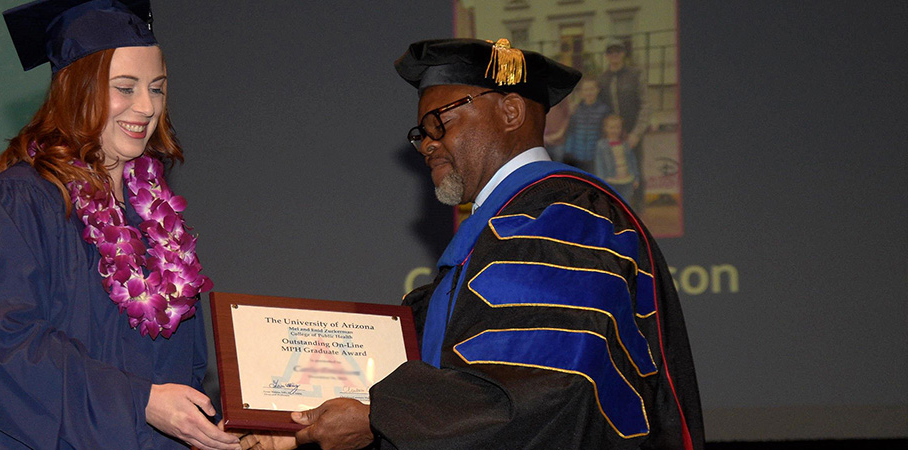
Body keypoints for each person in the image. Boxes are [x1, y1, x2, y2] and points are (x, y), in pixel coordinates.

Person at [244, 38, 703, 450]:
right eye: (420, 133)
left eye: (438, 122)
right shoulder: (503, 227)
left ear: (510, 112)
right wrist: (303, 420)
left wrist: (380, 417)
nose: (426, 145)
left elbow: (548, 386)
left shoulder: (565, 216)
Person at [0, 1, 239, 449]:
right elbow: (6, 347)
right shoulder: (21, 202)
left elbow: (182, 371)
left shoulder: (160, 224)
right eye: (125, 87)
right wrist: (140, 403)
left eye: (157, 88)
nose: (146, 106)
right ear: (76, 89)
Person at [598, 39, 653, 208]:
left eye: (618, 51)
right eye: (611, 52)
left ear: (623, 54)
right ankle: (618, 206)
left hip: (631, 131)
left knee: (635, 166)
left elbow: (646, 104)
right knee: (612, 168)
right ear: (607, 56)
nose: (614, 55)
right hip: (611, 133)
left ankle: (639, 207)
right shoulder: (603, 78)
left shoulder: (636, 74)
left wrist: (637, 132)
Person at [557, 78, 612, 171]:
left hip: (595, 156)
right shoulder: (576, 109)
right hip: (577, 154)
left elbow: (605, 133)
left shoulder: (604, 110)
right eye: (586, 89)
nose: (589, 92)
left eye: (592, 89)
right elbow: (571, 131)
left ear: (597, 90)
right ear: (581, 92)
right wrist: (568, 153)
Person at [596, 114, 642, 205]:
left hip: (627, 180)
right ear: (605, 128)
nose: (614, 130)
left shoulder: (625, 144)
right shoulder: (601, 145)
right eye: (611, 127)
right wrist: (601, 181)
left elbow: (632, 161)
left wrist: (636, 177)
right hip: (611, 181)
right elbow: (599, 164)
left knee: (625, 203)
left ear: (621, 129)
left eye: (617, 127)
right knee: (612, 203)